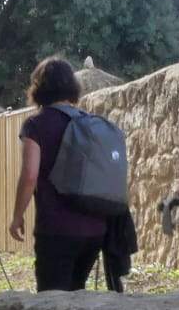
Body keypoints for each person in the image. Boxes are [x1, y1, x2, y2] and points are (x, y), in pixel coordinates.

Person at [8, 57, 110, 291]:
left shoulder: (36, 125)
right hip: (93, 230)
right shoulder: (89, 123)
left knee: (52, 303)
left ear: (39, 88)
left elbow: (30, 175)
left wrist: (17, 216)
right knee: (77, 294)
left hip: (56, 229)